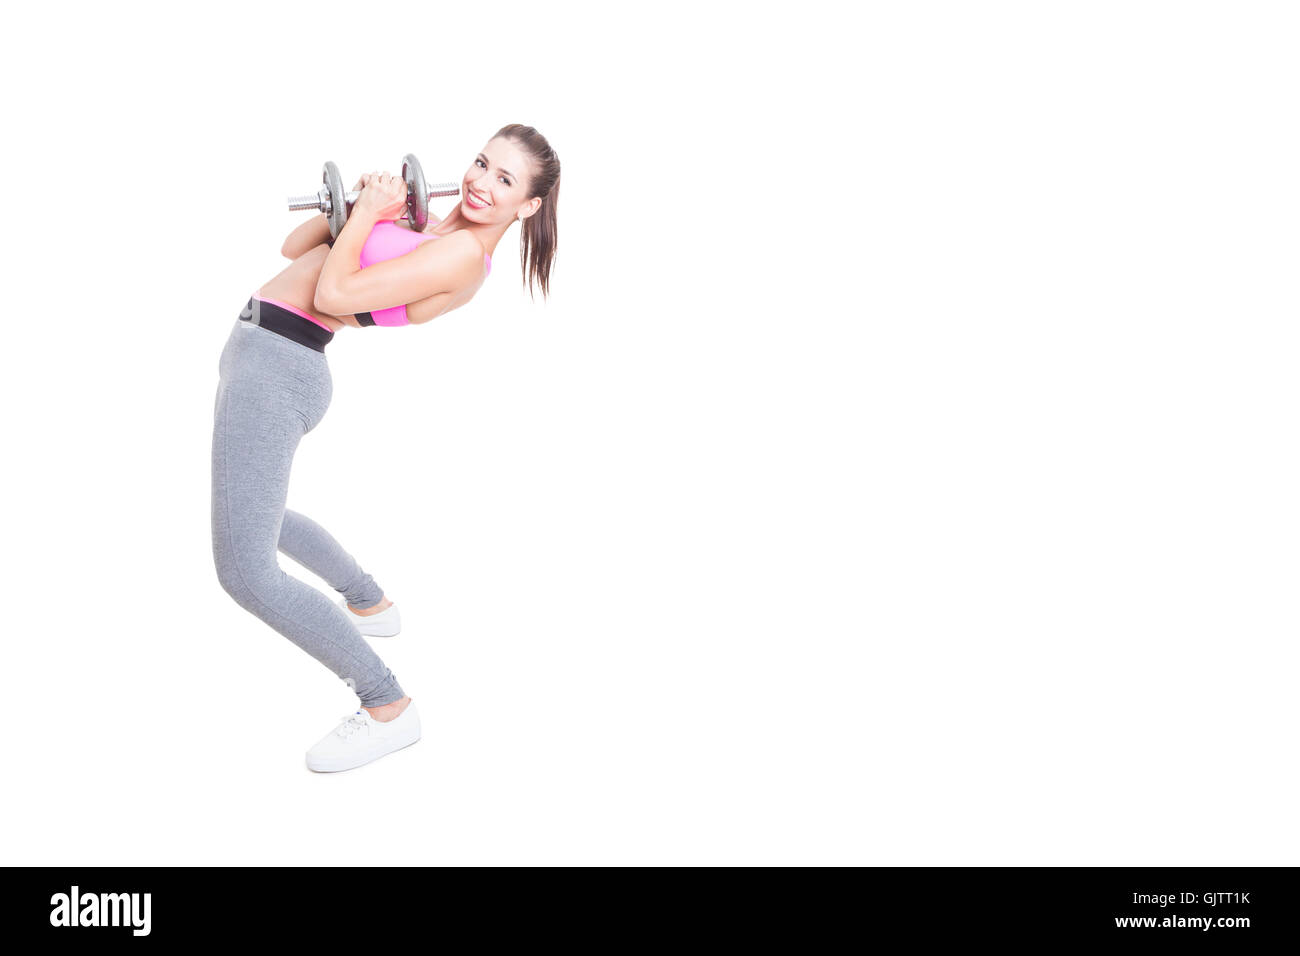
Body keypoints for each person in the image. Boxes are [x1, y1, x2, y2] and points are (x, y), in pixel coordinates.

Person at [210, 124, 561, 772]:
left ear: (529, 206)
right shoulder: (435, 231)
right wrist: (358, 205)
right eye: (483, 163)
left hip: (279, 365)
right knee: (254, 516)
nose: (483, 183)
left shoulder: (461, 258)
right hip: (264, 352)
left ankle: (386, 705)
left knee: (244, 571)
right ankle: (369, 602)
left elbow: (330, 295)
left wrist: (369, 214)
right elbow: (294, 247)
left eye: (506, 181)